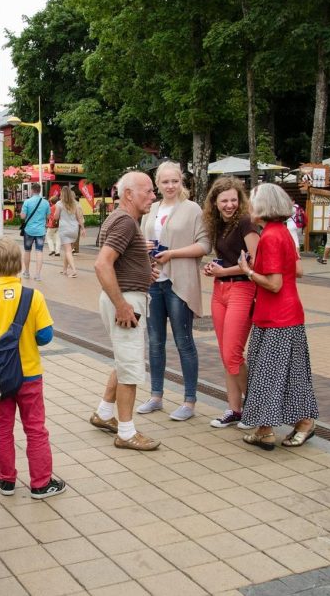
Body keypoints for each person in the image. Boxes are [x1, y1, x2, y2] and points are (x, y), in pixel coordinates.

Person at [0, 237, 65, 499]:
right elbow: (45, 336)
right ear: (18, 264)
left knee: (2, 428)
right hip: (29, 374)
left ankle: (6, 480)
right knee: (35, 428)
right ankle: (40, 483)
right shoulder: (33, 297)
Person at [237, 183, 318, 450]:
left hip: (276, 316)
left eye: (252, 202)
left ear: (263, 207)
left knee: (267, 373)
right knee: (287, 373)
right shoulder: (282, 232)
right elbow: (298, 270)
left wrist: (248, 271)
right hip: (286, 314)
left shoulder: (271, 236)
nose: (249, 207)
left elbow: (274, 284)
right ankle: (268, 428)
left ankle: (286, 425)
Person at [89, 171, 160, 451]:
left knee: (123, 360)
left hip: (125, 297)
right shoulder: (126, 222)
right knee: (130, 368)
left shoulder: (118, 218)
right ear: (129, 194)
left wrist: (142, 272)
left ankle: (104, 413)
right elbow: (102, 264)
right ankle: (127, 433)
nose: (153, 196)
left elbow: (117, 263)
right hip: (125, 303)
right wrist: (122, 304)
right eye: (149, 191)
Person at [136, 162, 210, 422]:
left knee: (183, 342)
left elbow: (204, 244)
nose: (170, 186)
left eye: (174, 181)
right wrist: (144, 247)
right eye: (165, 182)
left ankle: (189, 400)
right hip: (154, 282)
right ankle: (156, 395)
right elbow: (141, 240)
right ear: (157, 183)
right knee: (155, 342)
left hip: (179, 283)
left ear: (182, 182)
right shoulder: (152, 209)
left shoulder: (192, 210)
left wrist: (173, 254)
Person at [201, 177, 259, 428]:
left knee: (233, 353)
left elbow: (255, 262)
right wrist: (214, 268)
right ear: (215, 202)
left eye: (234, 199)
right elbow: (226, 258)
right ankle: (234, 409)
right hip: (220, 291)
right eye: (224, 200)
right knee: (226, 355)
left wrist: (223, 272)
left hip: (242, 290)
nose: (229, 205)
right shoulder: (217, 224)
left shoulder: (246, 222)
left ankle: (256, 406)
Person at [19, 183, 50, 281]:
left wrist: (22, 213)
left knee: (27, 251)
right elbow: (49, 217)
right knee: (39, 251)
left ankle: (27, 272)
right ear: (40, 190)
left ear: (32, 190)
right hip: (41, 231)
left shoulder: (27, 202)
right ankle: (37, 275)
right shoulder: (46, 203)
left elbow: (23, 217)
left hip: (29, 230)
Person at [55, 186, 85, 277]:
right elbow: (79, 217)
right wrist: (83, 228)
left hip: (64, 229)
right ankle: (64, 270)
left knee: (68, 251)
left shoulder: (59, 204)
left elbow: (56, 217)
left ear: (62, 194)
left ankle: (74, 271)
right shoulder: (75, 203)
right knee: (68, 251)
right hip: (74, 229)